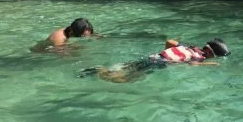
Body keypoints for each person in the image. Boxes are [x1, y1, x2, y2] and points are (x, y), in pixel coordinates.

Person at [79, 38, 231, 83]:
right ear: (211, 54)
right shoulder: (200, 57)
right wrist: (211, 64)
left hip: (153, 56)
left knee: (127, 67)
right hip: (158, 63)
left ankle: (96, 70)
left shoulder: (190, 47)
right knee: (125, 80)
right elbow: (192, 65)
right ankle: (100, 70)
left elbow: (169, 41)